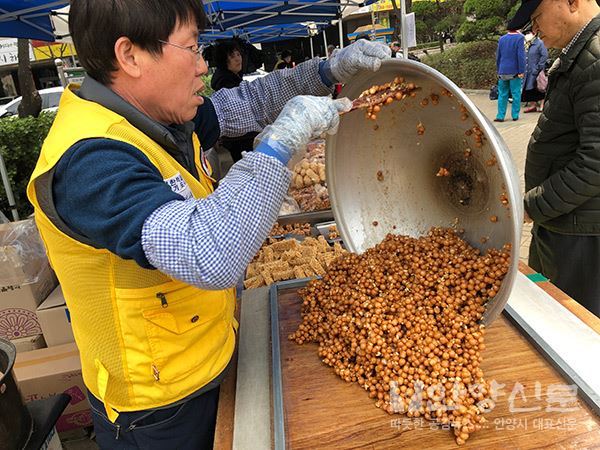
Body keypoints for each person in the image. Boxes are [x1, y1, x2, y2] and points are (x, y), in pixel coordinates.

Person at [25, 0, 391, 448]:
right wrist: (279, 145)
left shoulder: (158, 116)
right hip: (157, 409)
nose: (204, 65)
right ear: (131, 55)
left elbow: (250, 101)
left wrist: (327, 70)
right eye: (193, 48)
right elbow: (208, 254)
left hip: (211, 356)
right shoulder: (89, 161)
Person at [508, 0, 600, 317]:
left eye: (536, 18)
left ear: (570, 2)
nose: (533, 31)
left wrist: (530, 207)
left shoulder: (595, 59)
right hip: (563, 224)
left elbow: (595, 164)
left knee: (576, 327)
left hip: (584, 238)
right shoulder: (579, 55)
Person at [210, 39, 256, 162]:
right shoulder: (225, 83)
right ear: (223, 60)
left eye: (238, 54)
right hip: (239, 137)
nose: (237, 59)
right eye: (232, 56)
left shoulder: (235, 78)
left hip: (241, 136)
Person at [495, 27, 526, 122]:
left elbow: (498, 56)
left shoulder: (502, 39)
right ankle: (515, 115)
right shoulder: (520, 38)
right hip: (515, 70)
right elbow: (520, 56)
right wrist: (522, 70)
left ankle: (500, 115)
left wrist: (498, 69)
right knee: (516, 93)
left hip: (503, 70)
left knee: (502, 94)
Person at [522, 30, 548, 112]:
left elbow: (544, 55)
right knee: (529, 89)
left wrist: (539, 67)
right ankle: (532, 105)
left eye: (529, 33)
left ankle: (542, 105)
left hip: (537, 70)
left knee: (540, 87)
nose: (527, 35)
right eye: (526, 33)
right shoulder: (525, 44)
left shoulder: (539, 43)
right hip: (527, 70)